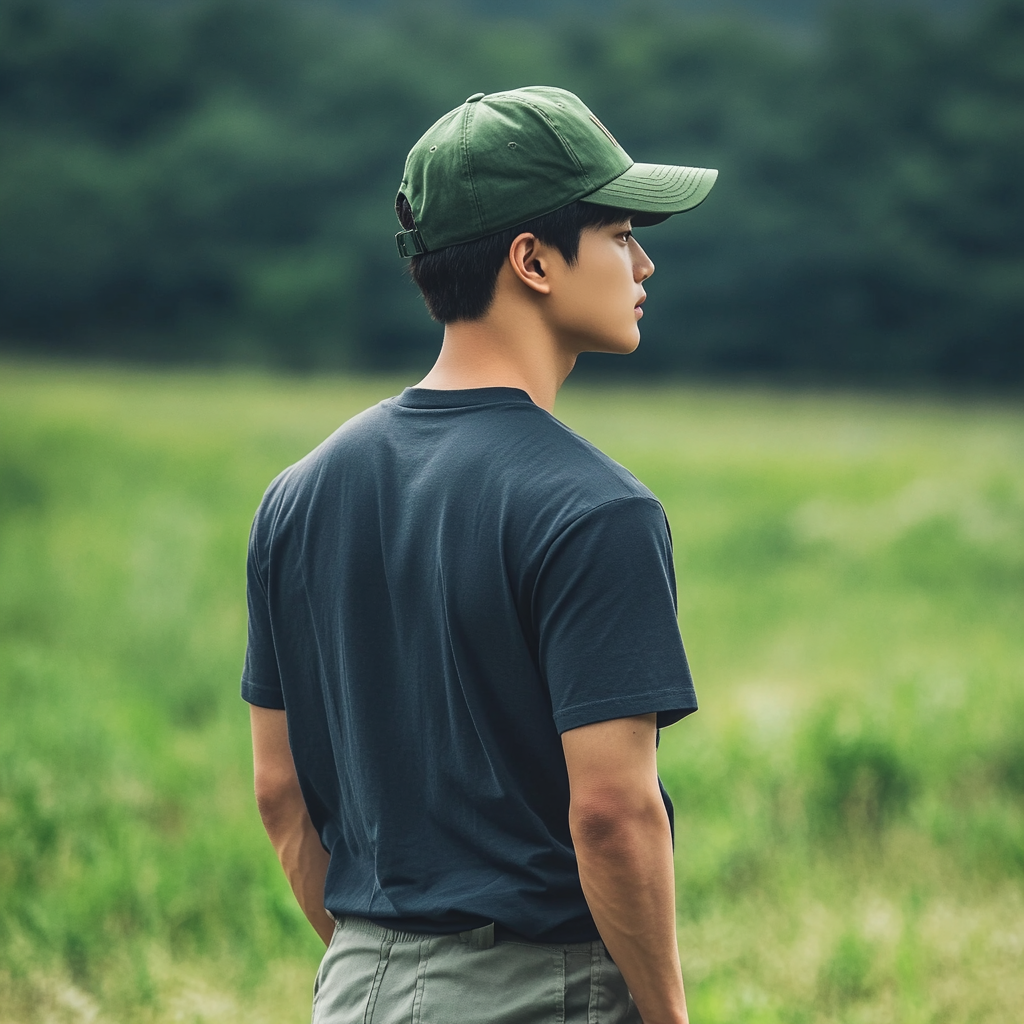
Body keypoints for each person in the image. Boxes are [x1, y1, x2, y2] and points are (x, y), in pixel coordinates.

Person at [243, 86, 717, 1024]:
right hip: (543, 992)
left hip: (354, 990)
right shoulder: (597, 510)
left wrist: (383, 968)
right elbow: (612, 814)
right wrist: (667, 1014)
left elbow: (279, 787)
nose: (645, 261)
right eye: (621, 232)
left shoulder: (296, 494)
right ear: (533, 259)